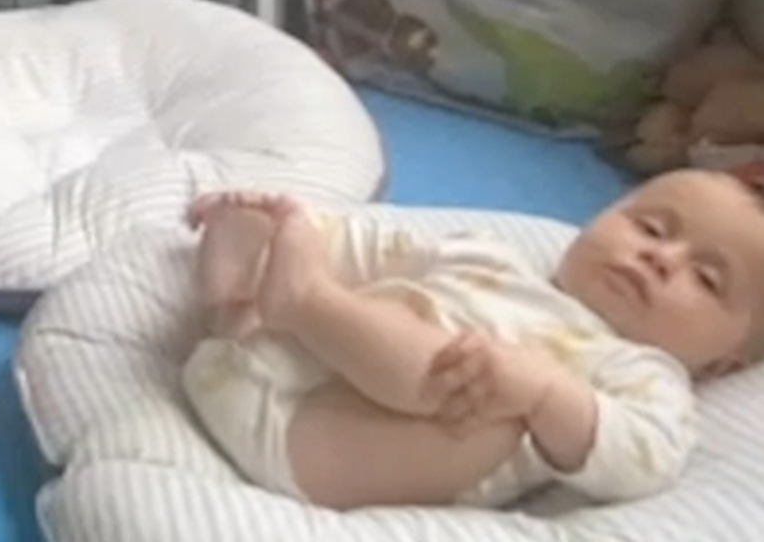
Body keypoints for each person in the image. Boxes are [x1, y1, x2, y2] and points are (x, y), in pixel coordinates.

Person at [182, 170, 764, 511]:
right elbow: (366, 246)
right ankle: (246, 297)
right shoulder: (490, 257)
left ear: (722, 361)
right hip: (249, 370)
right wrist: (290, 227)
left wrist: (543, 396)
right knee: (365, 271)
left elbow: (644, 455)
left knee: (485, 391)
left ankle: (302, 302)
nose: (661, 257)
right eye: (650, 227)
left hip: (325, 455)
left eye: (707, 279)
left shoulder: (640, 371)